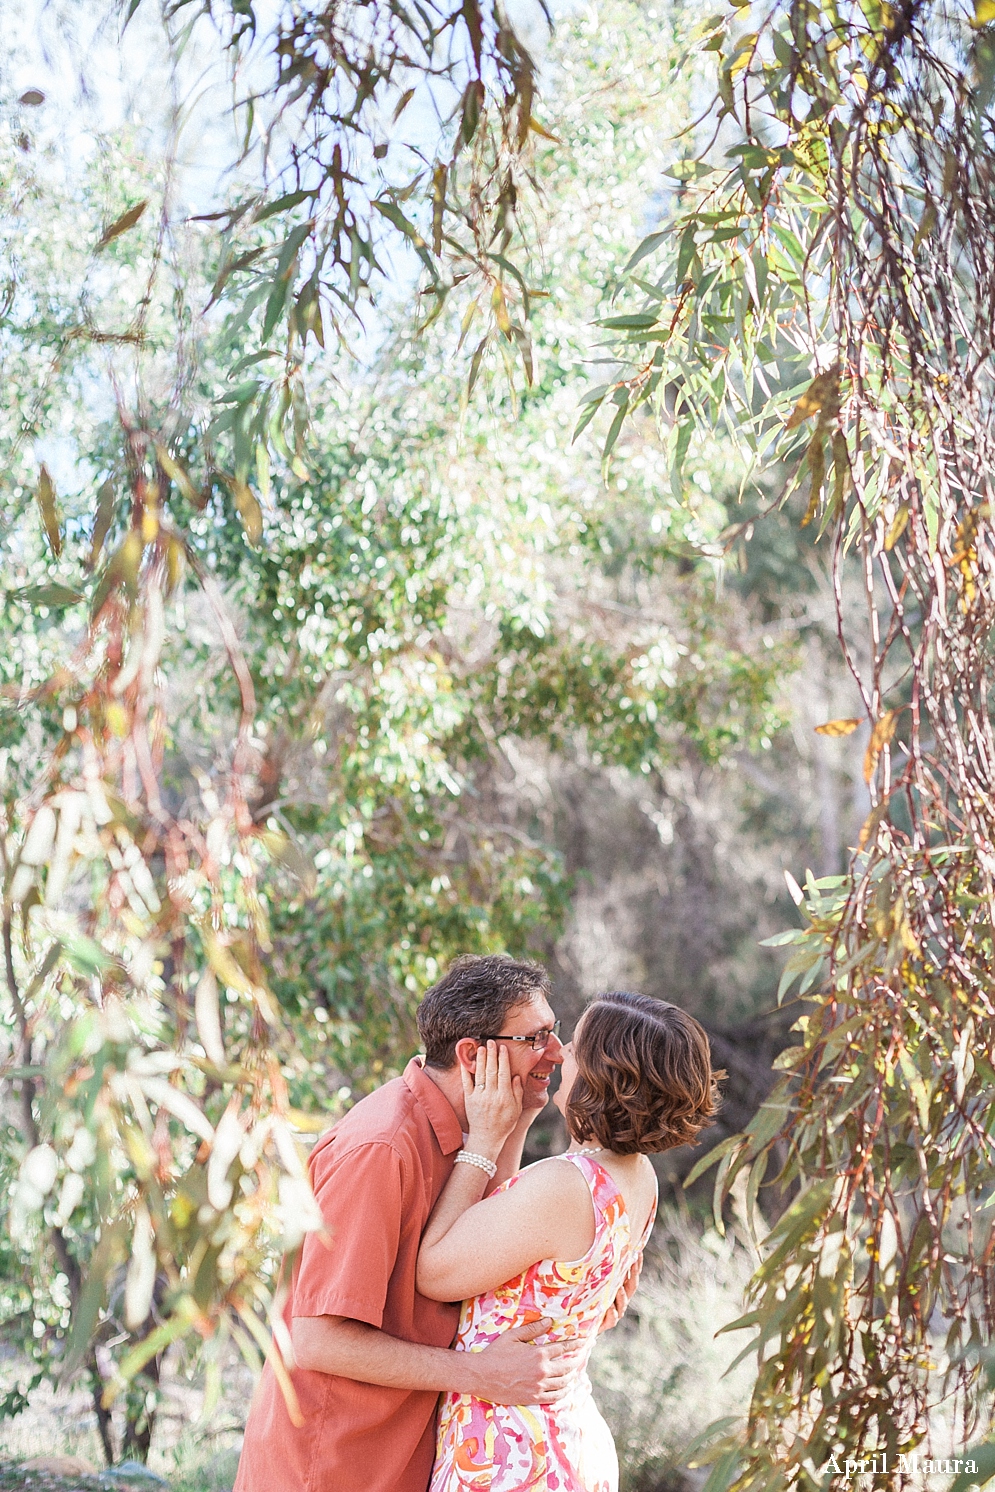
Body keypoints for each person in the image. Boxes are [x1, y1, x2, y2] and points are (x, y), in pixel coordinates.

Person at [233, 954, 635, 1492]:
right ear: (473, 1055)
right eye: (536, 1038)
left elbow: (484, 1261)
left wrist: (576, 1299)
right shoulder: (380, 1149)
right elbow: (315, 1341)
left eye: (555, 1034)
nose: (558, 1055)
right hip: (333, 1466)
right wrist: (481, 1375)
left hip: (406, 1458)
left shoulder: (475, 1131)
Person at [416, 990, 720, 1492]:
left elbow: (435, 1272)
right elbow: (508, 1234)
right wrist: (522, 1117)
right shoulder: (637, 1176)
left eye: (574, 1046)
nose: (558, 1051)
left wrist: (484, 1143)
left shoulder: (564, 1186)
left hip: (509, 1455)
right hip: (567, 1438)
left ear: (604, 1076)